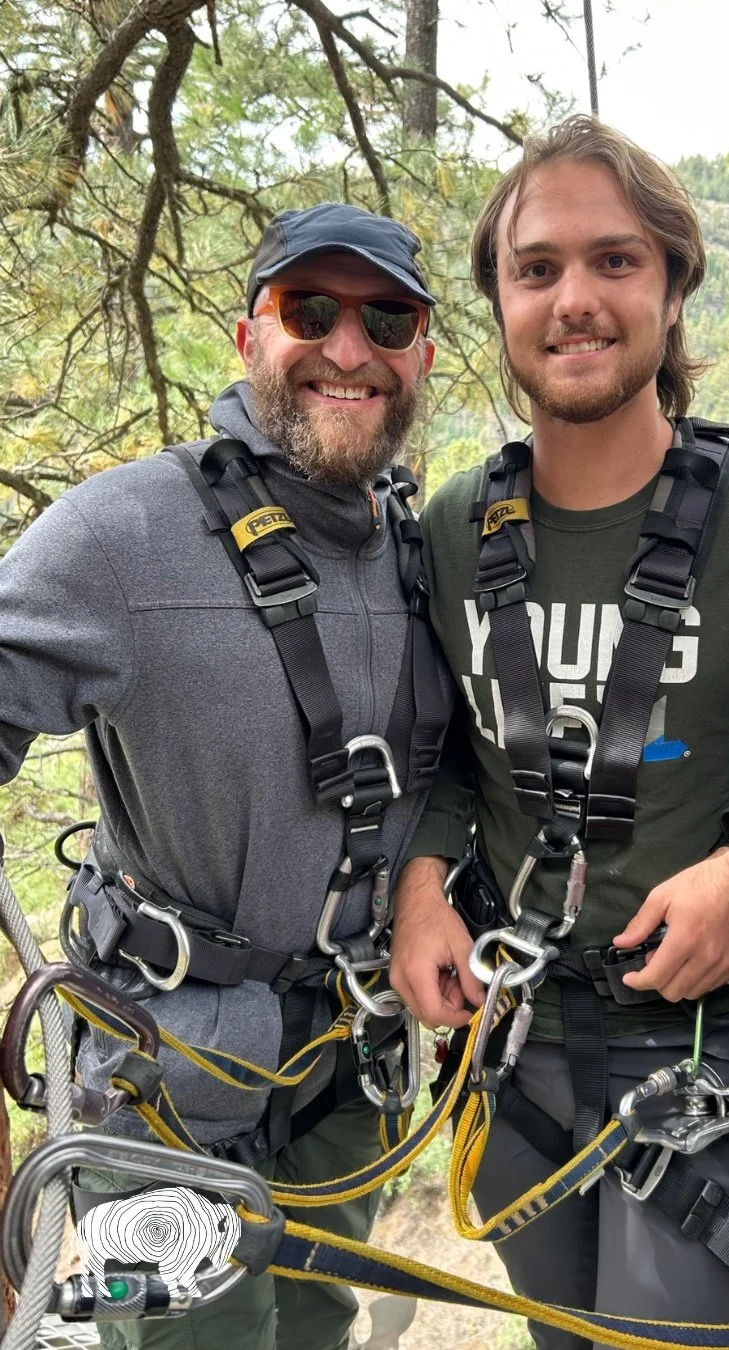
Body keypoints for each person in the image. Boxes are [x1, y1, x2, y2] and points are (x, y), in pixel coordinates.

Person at [389, 116, 729, 1347]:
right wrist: (423, 890)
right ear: (497, 299)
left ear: (677, 282)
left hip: (698, 1040)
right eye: (537, 269)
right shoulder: (451, 531)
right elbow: (445, 756)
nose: (574, 299)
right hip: (516, 1041)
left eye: (615, 260)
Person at [0, 203, 451, 1350]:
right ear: (249, 335)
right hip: (165, 1083)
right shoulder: (123, 535)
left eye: (385, 319)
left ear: (422, 356)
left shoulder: (422, 549)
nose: (348, 349)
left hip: (349, 1075)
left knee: (314, 1330)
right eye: (311, 311)